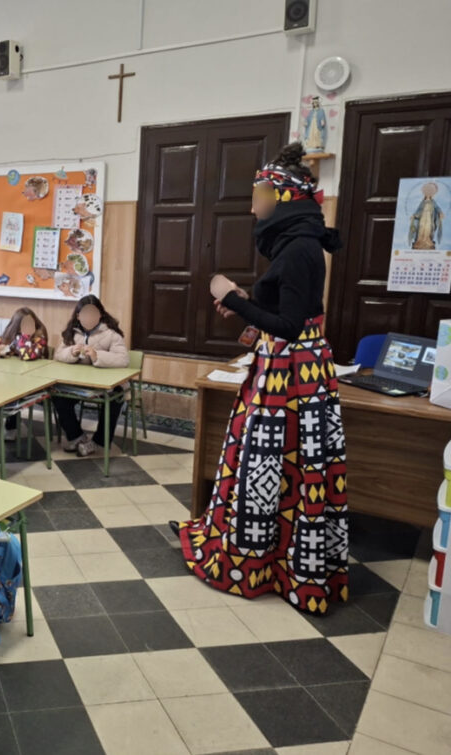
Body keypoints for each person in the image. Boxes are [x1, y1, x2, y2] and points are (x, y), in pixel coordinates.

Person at [175, 141, 348, 615]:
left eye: (260, 194)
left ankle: (259, 563)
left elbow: (291, 326)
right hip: (287, 372)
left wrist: (232, 297)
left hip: (290, 379)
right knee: (270, 470)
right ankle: (273, 559)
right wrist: (249, 303)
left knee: (271, 470)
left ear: (284, 198)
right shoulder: (296, 245)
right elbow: (288, 311)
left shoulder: (298, 251)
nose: (252, 205)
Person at [52, 295, 129, 456]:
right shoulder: (71, 333)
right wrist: (70, 353)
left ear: (100, 314)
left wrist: (97, 356)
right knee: (58, 396)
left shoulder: (111, 334)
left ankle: (99, 442)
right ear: (78, 316)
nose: (88, 318)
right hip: (79, 384)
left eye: (92, 313)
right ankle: (76, 437)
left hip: (108, 386)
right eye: (84, 314)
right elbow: (58, 354)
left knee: (114, 400)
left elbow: (123, 359)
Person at [0, 307, 50, 440]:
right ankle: (2, 424)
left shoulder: (39, 339)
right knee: (6, 389)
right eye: (24, 325)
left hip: (35, 381)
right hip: (12, 379)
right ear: (16, 326)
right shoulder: (8, 337)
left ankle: (11, 427)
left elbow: (27, 355)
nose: (28, 327)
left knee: (14, 392)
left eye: (31, 324)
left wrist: (25, 338)